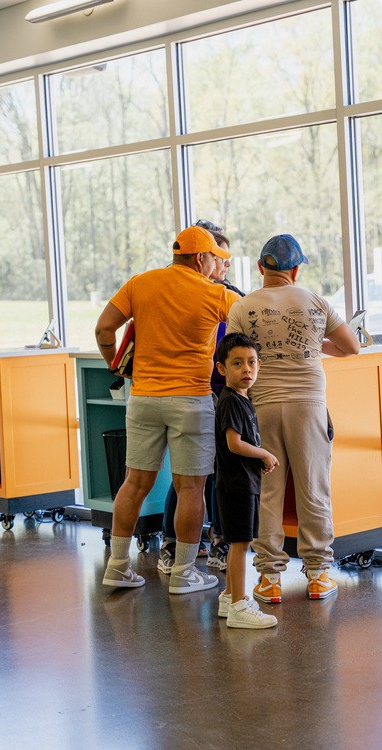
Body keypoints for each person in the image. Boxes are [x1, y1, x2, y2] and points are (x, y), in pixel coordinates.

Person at [95, 225, 240, 592]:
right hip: (190, 400)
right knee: (191, 487)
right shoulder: (216, 294)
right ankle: (184, 572)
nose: (217, 266)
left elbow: (104, 329)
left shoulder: (140, 283)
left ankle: (117, 565)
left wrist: (116, 366)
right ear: (201, 258)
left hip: (143, 398)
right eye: (215, 259)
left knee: (134, 483)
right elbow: (249, 329)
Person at [226, 234, 360, 602]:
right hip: (309, 405)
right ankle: (317, 575)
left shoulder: (242, 307)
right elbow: (350, 346)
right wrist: (312, 345)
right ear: (296, 270)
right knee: (313, 489)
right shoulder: (315, 301)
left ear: (260, 267)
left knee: (268, 492)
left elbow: (234, 358)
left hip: (262, 406)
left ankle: (269, 579)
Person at [158, 221, 245, 576]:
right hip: (193, 392)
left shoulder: (231, 295)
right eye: (218, 258)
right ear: (202, 259)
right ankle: (172, 543)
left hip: (224, 393)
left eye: (226, 258)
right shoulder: (179, 293)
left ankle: (218, 541)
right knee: (190, 476)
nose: (224, 264)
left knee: (219, 471)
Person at [214, 332, 279, 629]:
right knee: (240, 544)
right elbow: (234, 443)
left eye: (251, 362)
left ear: (259, 365)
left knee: (238, 543)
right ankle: (239, 606)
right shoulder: (231, 402)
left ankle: (230, 597)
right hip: (236, 485)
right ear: (222, 368)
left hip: (242, 482)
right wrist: (264, 454)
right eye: (237, 363)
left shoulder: (242, 399)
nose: (247, 369)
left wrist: (257, 461)